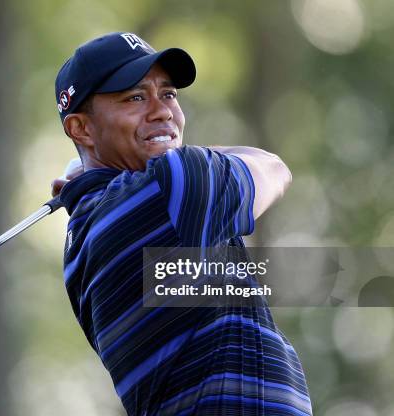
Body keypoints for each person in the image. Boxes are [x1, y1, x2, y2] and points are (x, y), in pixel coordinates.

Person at [51, 32, 312, 416]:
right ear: (82, 129)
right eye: (136, 98)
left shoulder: (106, 214)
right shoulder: (165, 190)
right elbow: (273, 166)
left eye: (168, 94)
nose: (162, 111)